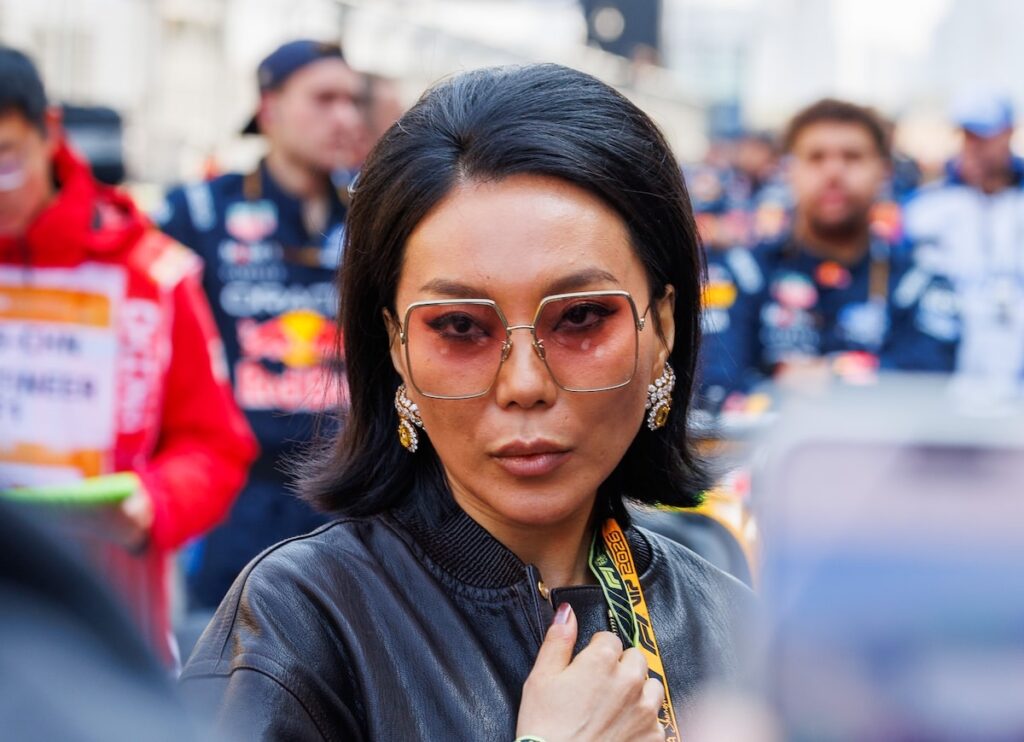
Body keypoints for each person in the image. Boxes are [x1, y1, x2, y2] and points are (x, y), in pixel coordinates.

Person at [180, 64, 754, 740]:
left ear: (662, 328)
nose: (523, 384)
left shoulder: (727, 616)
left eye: (580, 318)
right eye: (460, 327)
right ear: (395, 344)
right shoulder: (297, 624)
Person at [0, 47, 256, 665]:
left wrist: (154, 503)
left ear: (49, 133)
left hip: (100, 629)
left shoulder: (150, 274)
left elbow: (215, 447)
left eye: (3, 157)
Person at [156, 39, 367, 610]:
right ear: (269, 109)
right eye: (324, 99)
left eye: (353, 100)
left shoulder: (375, 215)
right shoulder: (199, 211)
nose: (345, 117)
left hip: (345, 496)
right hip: (234, 496)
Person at [699, 98, 909, 408]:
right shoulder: (742, 272)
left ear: (884, 170)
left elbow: (927, 389)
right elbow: (713, 386)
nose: (833, 172)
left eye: (852, 157)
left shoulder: (916, 280)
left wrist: (826, 378)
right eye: (815, 157)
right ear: (787, 170)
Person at [885, 91, 1024, 395]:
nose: (975, 146)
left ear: (1009, 133)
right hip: (946, 374)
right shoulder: (924, 205)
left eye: (985, 136)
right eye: (967, 136)